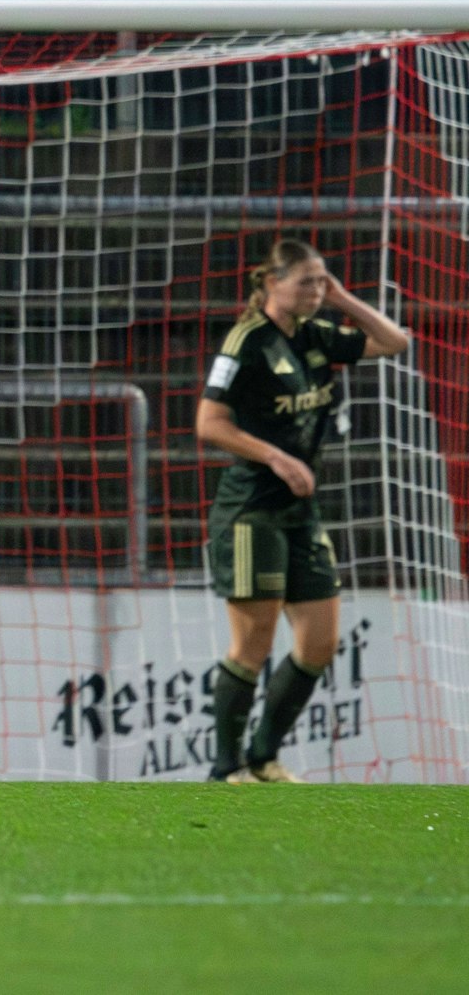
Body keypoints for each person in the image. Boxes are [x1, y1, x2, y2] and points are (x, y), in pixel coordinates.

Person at [196, 238, 406, 783]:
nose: (315, 291)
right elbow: (209, 423)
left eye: (321, 281)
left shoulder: (315, 335)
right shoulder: (246, 342)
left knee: (318, 643)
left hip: (299, 513)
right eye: (306, 281)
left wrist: (342, 299)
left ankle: (264, 756)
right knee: (255, 644)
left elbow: (394, 341)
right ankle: (226, 768)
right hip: (251, 510)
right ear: (271, 282)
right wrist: (276, 457)